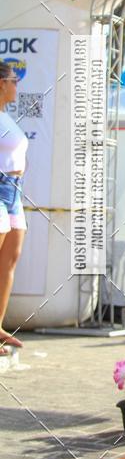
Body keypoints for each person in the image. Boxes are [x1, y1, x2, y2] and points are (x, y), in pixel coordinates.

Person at [0, 62, 28, 351]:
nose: (16, 86)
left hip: (14, 191)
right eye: (13, 80)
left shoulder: (6, 118)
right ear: (1, 83)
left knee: (10, 260)